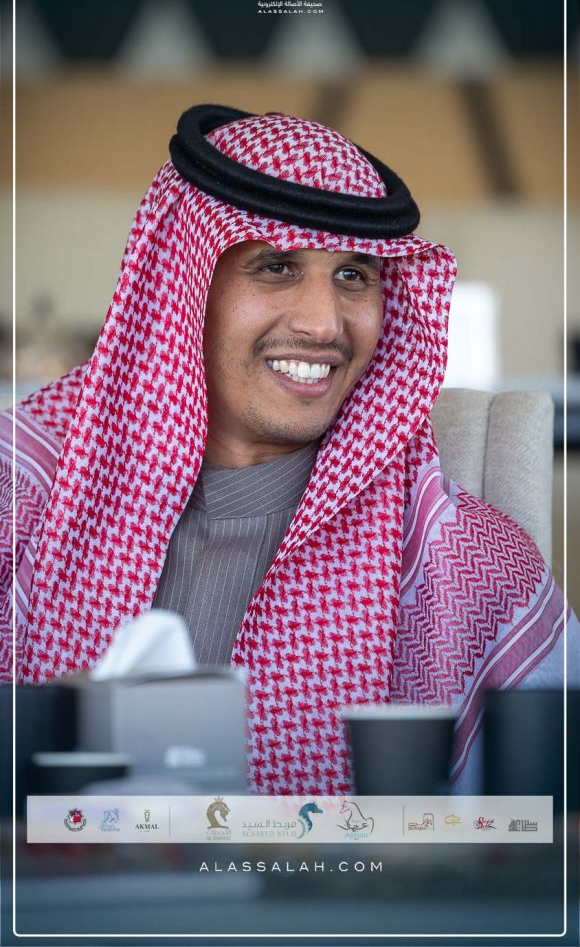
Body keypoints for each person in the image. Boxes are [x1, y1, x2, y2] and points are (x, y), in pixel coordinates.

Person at [0, 104, 575, 795]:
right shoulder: (20, 496)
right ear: (184, 286)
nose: (323, 323)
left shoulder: (474, 567)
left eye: (354, 275)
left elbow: (548, 834)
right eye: (276, 266)